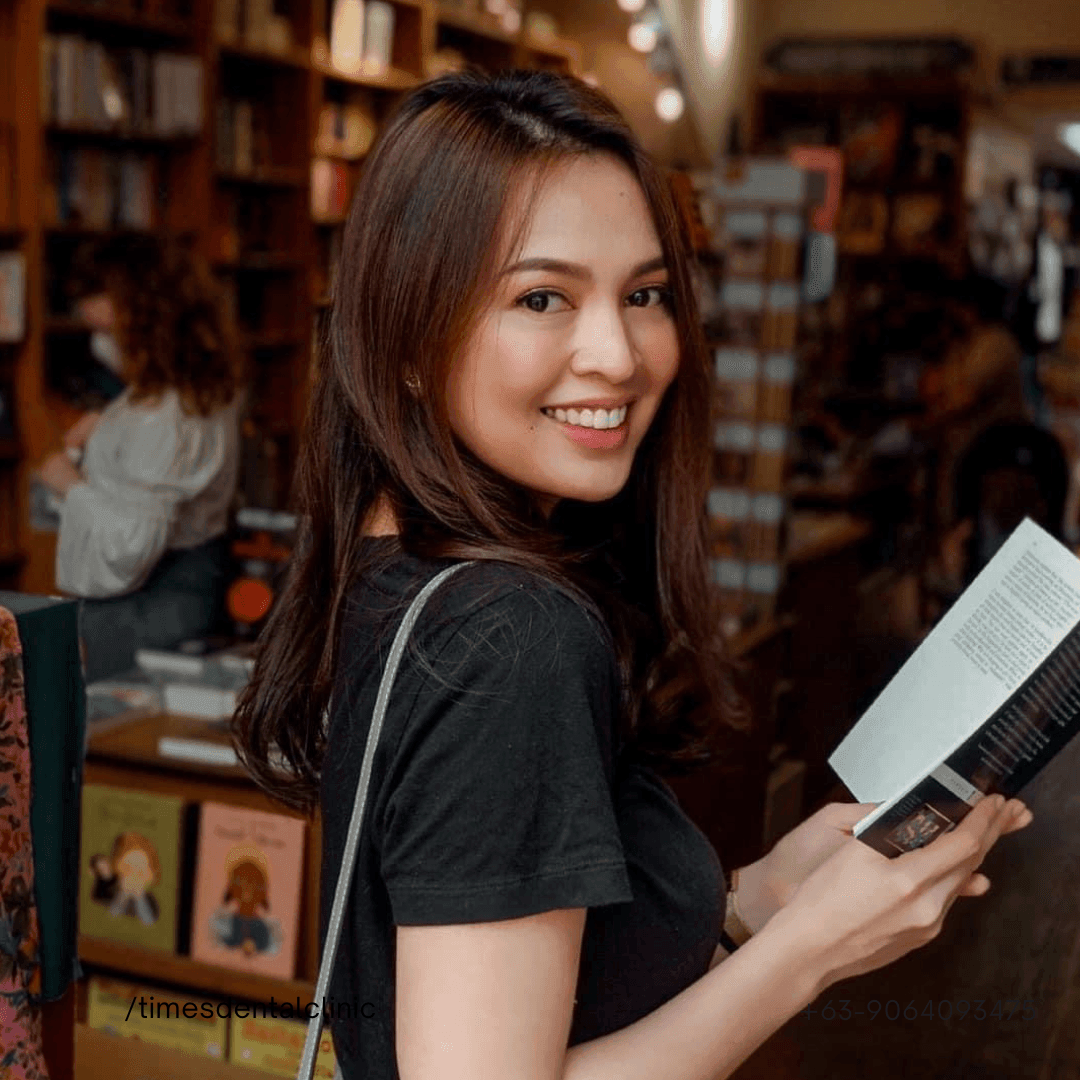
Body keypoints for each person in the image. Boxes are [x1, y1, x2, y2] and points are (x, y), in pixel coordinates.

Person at [231, 70, 1034, 1080]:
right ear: (406, 337)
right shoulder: (509, 635)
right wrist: (810, 952)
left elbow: (517, 966)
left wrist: (754, 900)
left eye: (646, 294)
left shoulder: (404, 569)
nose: (617, 353)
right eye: (541, 297)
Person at [36, 236, 245, 683]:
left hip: (147, 606)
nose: (100, 346)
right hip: (170, 595)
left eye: (109, 332)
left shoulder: (163, 413)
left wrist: (66, 480)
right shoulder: (179, 395)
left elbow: (129, 545)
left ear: (147, 322)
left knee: (110, 736)